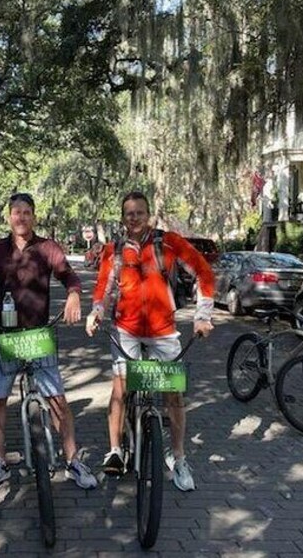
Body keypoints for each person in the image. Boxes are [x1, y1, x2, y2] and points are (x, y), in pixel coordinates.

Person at [0, 192, 97, 491]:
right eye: (16, 212)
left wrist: (75, 294)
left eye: (26, 212)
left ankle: (73, 459)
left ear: (34, 216)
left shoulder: (48, 248)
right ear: (9, 217)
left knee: (57, 400)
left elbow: (69, 276)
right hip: (3, 337)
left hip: (38, 336)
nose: (21, 217)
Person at [86, 191, 215, 491]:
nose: (134, 218)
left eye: (139, 213)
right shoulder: (113, 249)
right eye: (129, 213)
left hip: (164, 329)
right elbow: (103, 288)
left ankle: (179, 457)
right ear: (123, 217)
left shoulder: (168, 242)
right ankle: (115, 450)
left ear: (149, 215)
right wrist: (96, 312)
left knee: (174, 396)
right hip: (125, 329)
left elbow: (203, 271)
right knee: (120, 389)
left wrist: (203, 314)